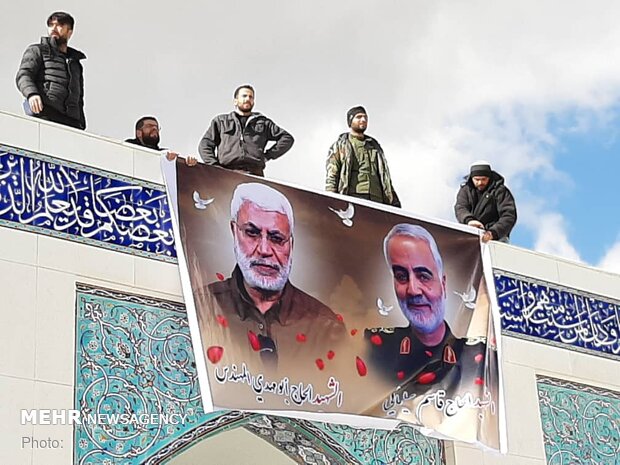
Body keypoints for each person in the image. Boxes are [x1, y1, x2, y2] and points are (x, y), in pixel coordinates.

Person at [195, 182, 345, 374]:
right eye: (252, 233)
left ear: (291, 243)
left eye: (276, 238)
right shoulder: (203, 306)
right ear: (234, 231)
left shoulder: (325, 328)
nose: (264, 250)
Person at [364, 224, 484, 394]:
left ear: (443, 284)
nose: (413, 290)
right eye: (401, 276)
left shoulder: (476, 357)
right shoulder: (375, 348)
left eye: (423, 276)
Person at [197, 85, 294, 176]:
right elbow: (205, 144)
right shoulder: (221, 121)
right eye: (244, 96)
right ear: (235, 101)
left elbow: (287, 138)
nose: (248, 99)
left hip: (255, 174)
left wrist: (268, 156)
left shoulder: (263, 123)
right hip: (227, 173)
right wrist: (214, 166)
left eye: (251, 97)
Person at [16, 12, 86, 130]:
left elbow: (79, 97)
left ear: (70, 32)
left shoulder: (76, 64)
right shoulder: (37, 50)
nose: (53, 28)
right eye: (51, 25)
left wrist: (81, 123)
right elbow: (24, 75)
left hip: (71, 122)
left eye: (59, 25)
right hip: (45, 113)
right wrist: (32, 94)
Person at [325, 106, 400, 207]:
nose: (363, 120)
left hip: (378, 201)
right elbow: (332, 176)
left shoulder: (375, 147)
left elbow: (385, 177)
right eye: (359, 117)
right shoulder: (340, 146)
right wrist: (330, 200)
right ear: (350, 121)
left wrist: (394, 201)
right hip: (353, 198)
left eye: (365, 117)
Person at [454, 161, 517, 242]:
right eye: (477, 179)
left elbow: (509, 215)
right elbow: (460, 208)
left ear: (489, 178)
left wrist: (493, 232)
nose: (480, 182)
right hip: (471, 234)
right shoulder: (465, 191)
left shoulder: (500, 191)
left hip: (497, 237)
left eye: (484, 179)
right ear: (471, 178)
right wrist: (469, 220)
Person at [127, 116, 197, 165]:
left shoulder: (164, 154)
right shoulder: (128, 147)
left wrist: (188, 163)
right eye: (149, 126)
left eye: (156, 127)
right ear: (139, 133)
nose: (154, 128)